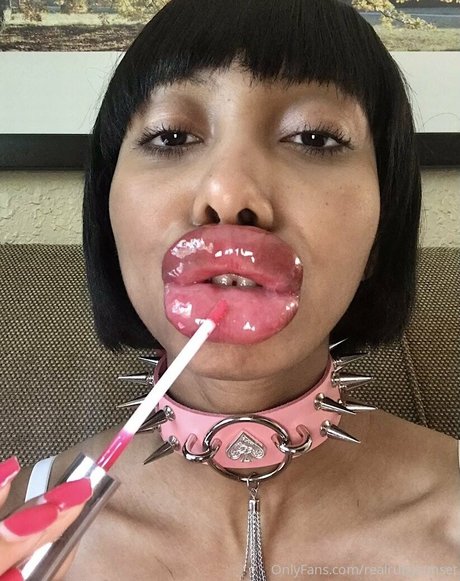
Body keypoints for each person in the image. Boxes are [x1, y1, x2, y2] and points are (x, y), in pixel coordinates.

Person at [1, 0, 459, 579]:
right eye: (170, 136)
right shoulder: (19, 526)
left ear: (381, 228)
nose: (228, 192)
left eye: (314, 137)